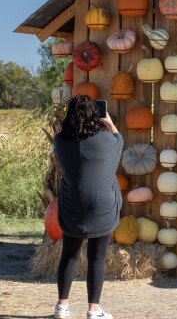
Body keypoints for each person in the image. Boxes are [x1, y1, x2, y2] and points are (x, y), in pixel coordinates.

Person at [53, 94, 122, 319]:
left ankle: (61, 307)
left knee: (69, 256)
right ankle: (93, 310)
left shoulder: (60, 141)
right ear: (96, 114)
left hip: (72, 205)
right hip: (101, 207)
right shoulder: (108, 141)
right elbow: (120, 141)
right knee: (96, 258)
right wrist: (110, 124)